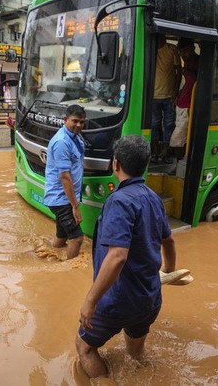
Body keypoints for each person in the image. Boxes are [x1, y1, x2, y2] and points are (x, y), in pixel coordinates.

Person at [75, 134, 178, 378]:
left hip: (116, 302)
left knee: (85, 348)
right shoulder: (154, 198)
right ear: (146, 164)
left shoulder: (119, 201)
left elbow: (117, 256)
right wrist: (168, 272)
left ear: (116, 163)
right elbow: (169, 240)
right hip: (149, 298)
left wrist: (90, 301)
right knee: (136, 353)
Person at [44, 104, 87, 260]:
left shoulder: (74, 137)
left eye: (82, 122)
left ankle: (49, 257)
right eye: (75, 121)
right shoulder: (62, 142)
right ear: (65, 119)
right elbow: (64, 177)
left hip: (63, 197)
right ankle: (66, 272)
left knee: (62, 236)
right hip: (61, 199)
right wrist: (75, 206)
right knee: (77, 238)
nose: (78, 125)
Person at [151, 34, 181, 163]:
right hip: (153, 96)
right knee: (154, 125)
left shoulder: (171, 49)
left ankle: (166, 152)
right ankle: (154, 152)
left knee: (168, 125)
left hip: (169, 96)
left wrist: (176, 92)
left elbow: (179, 71)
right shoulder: (150, 49)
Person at [170, 38, 199, 160]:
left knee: (176, 140)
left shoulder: (199, 62)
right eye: (181, 52)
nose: (182, 55)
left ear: (193, 49)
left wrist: (188, 72)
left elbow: (199, 81)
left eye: (185, 51)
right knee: (182, 139)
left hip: (189, 107)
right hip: (181, 104)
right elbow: (188, 84)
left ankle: (179, 166)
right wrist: (178, 95)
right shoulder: (187, 62)